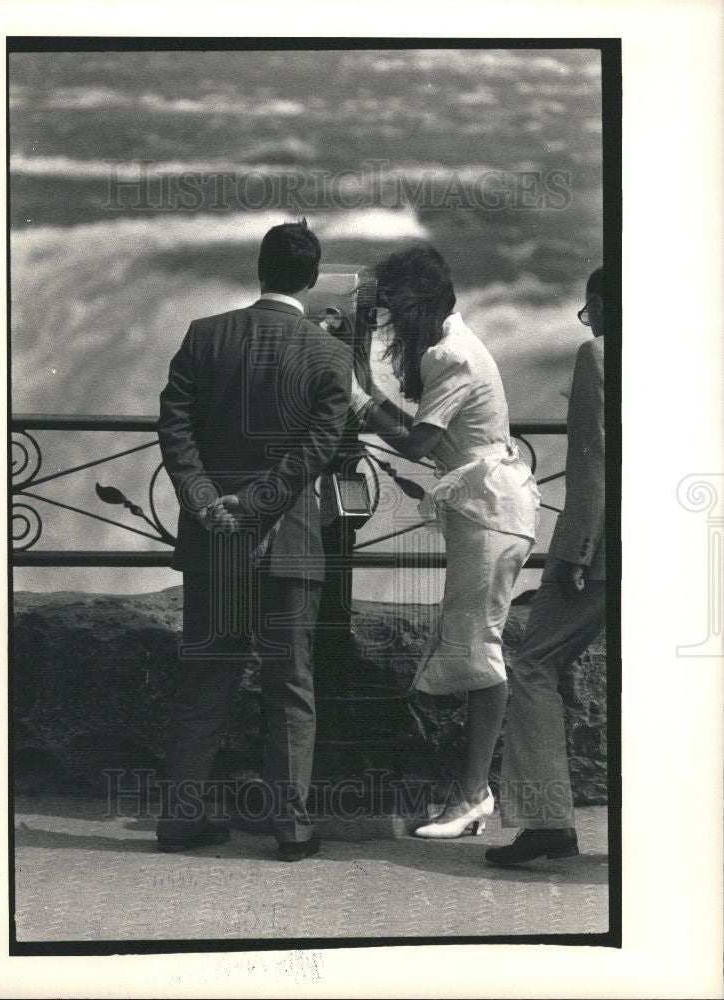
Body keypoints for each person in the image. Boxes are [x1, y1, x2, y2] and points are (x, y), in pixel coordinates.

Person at [156, 220, 352, 861]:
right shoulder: (329, 354)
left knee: (204, 684)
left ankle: (182, 819)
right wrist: (262, 501)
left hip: (213, 540)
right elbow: (319, 447)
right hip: (288, 543)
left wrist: (208, 499)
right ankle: (291, 831)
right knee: (289, 688)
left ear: (259, 269)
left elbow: (175, 427)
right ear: (313, 278)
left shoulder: (204, 335)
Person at [352, 245, 540, 838]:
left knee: (477, 647)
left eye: (389, 306)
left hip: (491, 512)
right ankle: (471, 790)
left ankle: (472, 796)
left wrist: (360, 397)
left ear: (415, 304)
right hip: (487, 507)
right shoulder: (450, 345)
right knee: (470, 643)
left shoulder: (451, 355)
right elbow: (429, 439)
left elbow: (415, 445)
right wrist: (367, 391)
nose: (385, 321)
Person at [486, 267, 605, 866]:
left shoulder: (600, 354)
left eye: (591, 309)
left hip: (606, 549)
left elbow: (593, 458)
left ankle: (544, 821)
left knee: (534, 664)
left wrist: (576, 551)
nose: (590, 322)